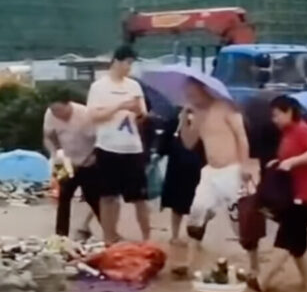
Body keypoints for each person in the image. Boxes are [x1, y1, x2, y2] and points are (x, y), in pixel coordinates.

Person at [176, 77, 256, 275]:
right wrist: (184, 120)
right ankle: (190, 263)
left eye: (192, 93)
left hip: (232, 169)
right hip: (210, 172)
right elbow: (188, 143)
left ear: (202, 89)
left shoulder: (225, 107)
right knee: (197, 211)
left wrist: (245, 164)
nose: (190, 97)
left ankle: (255, 266)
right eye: (187, 94)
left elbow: (241, 136)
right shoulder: (196, 114)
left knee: (241, 222)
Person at [254, 96, 307, 292]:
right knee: (297, 241)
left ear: (289, 112)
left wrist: (293, 162)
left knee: (285, 238)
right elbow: (289, 154)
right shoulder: (287, 133)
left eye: (276, 115)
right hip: (295, 194)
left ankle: (263, 281)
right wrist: (277, 162)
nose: (273, 119)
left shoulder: (301, 130)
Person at [86, 45, 151, 244]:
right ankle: (109, 237)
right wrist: (120, 106)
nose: (129, 68)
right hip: (108, 147)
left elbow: (143, 115)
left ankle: (147, 238)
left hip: (132, 147)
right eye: (127, 63)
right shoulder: (99, 87)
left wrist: (139, 112)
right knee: (108, 196)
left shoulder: (134, 86)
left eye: (131, 64)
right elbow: (94, 116)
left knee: (140, 198)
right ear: (116, 61)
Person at [43, 87, 100, 238]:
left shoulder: (85, 114)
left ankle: (108, 232)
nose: (57, 115)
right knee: (63, 197)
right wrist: (55, 153)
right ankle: (61, 236)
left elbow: (98, 140)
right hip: (65, 161)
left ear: (69, 104)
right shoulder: (50, 114)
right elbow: (48, 136)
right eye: (54, 111)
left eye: (60, 110)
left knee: (93, 198)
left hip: (88, 159)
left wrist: (92, 157)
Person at [158, 107, 203, 245]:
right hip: (177, 168)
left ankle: (195, 237)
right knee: (177, 204)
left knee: (199, 205)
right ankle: (176, 235)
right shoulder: (175, 120)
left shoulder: (205, 120)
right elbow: (163, 146)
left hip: (197, 167)